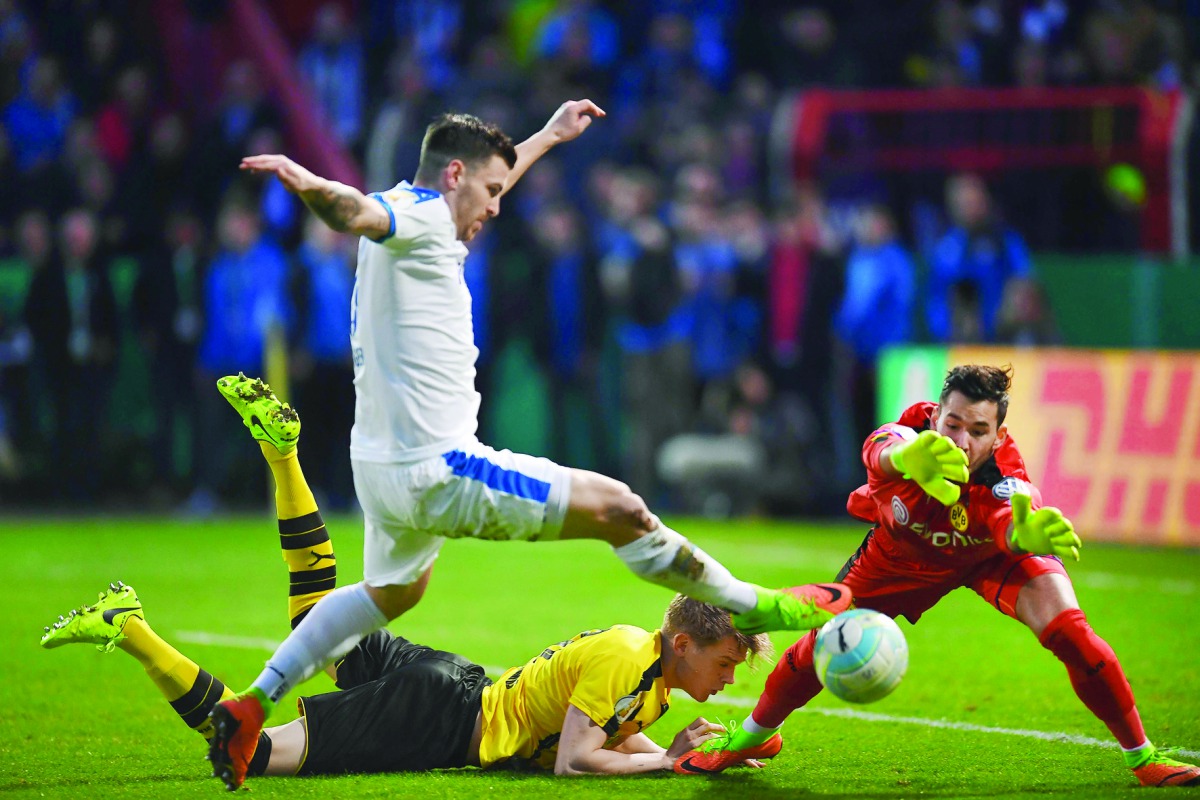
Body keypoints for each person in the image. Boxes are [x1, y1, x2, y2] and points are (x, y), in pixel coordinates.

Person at [217, 101, 849, 790]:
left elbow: (462, 188)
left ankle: (255, 700)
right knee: (622, 510)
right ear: (453, 175)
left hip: (379, 470)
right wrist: (305, 182)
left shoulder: (429, 213)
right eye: (488, 192)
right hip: (439, 468)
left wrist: (547, 136)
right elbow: (352, 211)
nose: (494, 208)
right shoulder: (418, 215)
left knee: (392, 593)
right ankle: (753, 603)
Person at [40, 392, 782, 779]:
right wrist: (672, 761)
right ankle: (131, 627)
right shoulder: (631, 659)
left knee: (313, 617)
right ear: (682, 643)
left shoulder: (646, 672)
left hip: (458, 688)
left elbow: (601, 726)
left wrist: (663, 741)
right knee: (256, 752)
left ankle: (283, 456)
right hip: (443, 719)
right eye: (724, 664)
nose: (727, 680)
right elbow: (575, 760)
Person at [677, 365, 1200, 788]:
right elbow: (879, 452)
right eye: (952, 424)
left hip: (987, 555)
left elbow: (1012, 519)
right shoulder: (907, 436)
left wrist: (1026, 537)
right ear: (936, 417)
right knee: (819, 647)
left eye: (979, 431)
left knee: (1070, 631)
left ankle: (1143, 756)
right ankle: (754, 737)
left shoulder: (1005, 475)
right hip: (899, 558)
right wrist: (910, 457)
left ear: (997, 434)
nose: (963, 440)